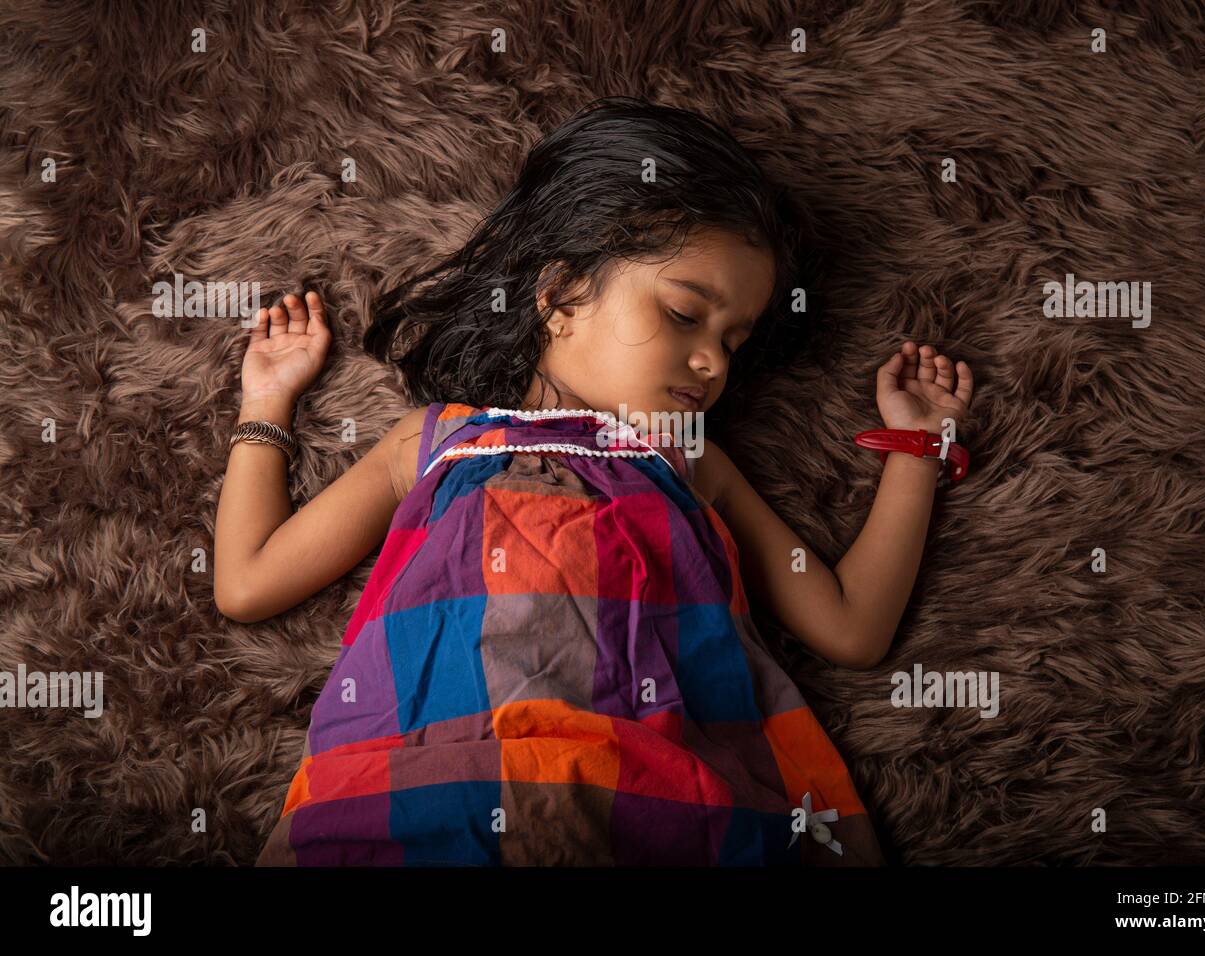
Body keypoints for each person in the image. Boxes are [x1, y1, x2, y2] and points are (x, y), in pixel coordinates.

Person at [215, 96, 975, 866]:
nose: (714, 362)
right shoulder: (433, 440)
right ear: (559, 295)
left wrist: (915, 449)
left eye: (734, 339)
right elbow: (247, 582)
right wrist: (267, 402)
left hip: (649, 798)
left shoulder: (687, 458)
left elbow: (851, 628)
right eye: (685, 314)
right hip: (427, 797)